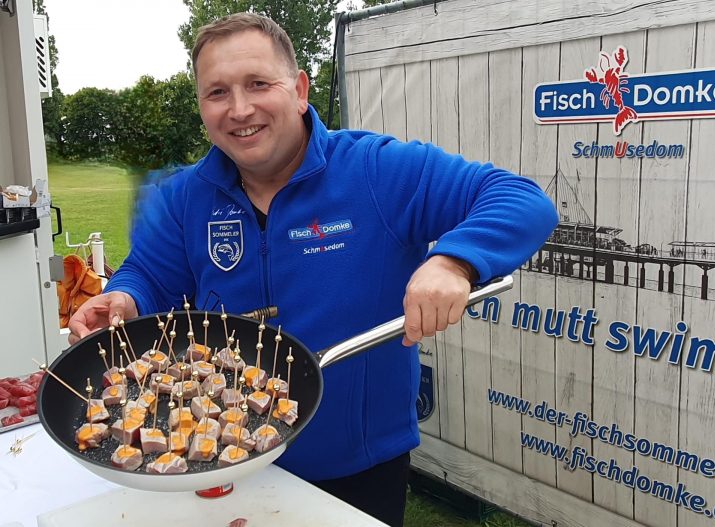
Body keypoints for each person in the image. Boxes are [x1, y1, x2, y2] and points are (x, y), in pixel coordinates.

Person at [68, 13, 558, 526]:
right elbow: (151, 270)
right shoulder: (186, 194)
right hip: (220, 457)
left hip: (354, 467)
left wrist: (454, 260)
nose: (239, 109)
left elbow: (522, 199)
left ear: (300, 90)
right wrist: (124, 297)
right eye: (217, 92)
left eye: (259, 84)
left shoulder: (374, 169)